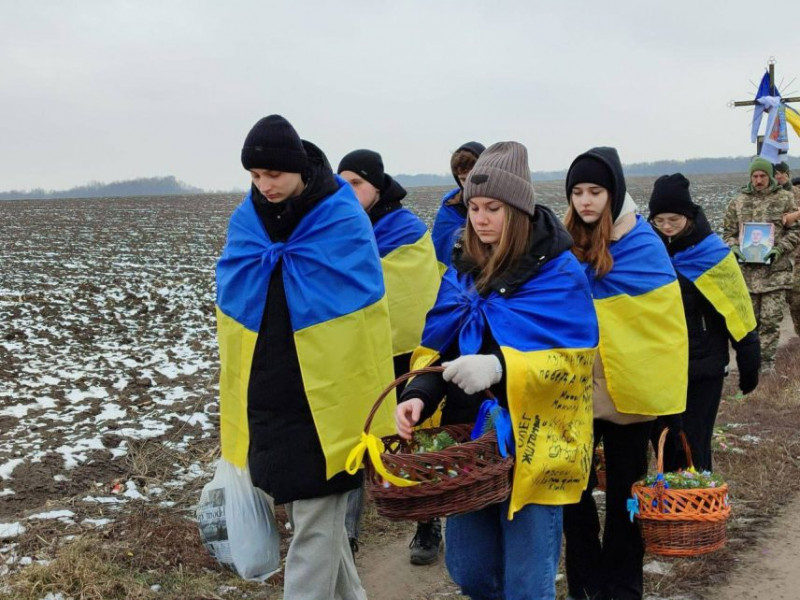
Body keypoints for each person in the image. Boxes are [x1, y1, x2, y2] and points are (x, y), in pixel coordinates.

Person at [395, 141, 599, 600]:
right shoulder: (462, 270)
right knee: (470, 570)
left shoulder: (558, 274)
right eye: (473, 207)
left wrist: (500, 367)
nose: (480, 218)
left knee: (527, 583)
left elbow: (574, 363)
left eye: (493, 207)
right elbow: (439, 345)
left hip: (536, 445)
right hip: (469, 446)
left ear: (520, 210)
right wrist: (419, 395)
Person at [215, 115, 396, 599]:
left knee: (316, 527)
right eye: (255, 176)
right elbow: (234, 309)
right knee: (318, 527)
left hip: (331, 407)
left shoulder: (340, 217)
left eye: (273, 174)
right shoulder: (246, 223)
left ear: (297, 168)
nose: (264, 185)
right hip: (269, 403)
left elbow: (365, 320)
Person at [561, 147, 688, 600]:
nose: (586, 201)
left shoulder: (643, 246)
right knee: (571, 499)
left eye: (595, 191)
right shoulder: (562, 245)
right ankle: (584, 584)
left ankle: (624, 586)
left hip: (628, 396)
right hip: (574, 395)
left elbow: (662, 328)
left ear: (614, 192)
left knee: (624, 499)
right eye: (577, 192)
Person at [337, 149, 441, 563]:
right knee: (354, 437)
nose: (349, 191)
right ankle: (346, 536)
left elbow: (414, 294)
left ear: (377, 187)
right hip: (356, 350)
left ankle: (427, 525)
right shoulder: (337, 227)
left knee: (416, 438)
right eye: (341, 183)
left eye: (357, 183)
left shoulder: (407, 229)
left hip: (405, 354)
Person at [647, 173, 760, 472]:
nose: (667, 227)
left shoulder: (711, 254)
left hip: (702, 367)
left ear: (689, 215)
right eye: (660, 221)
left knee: (693, 444)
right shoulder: (645, 252)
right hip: (657, 366)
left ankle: (698, 512)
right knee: (663, 442)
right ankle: (667, 511)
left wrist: (749, 355)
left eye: (674, 219)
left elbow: (737, 308)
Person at [723, 157, 800, 372]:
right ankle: (751, 364)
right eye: (755, 176)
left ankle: (766, 366)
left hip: (775, 272)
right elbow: (728, 232)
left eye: (763, 176)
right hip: (747, 275)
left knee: (771, 321)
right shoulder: (738, 201)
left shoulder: (786, 199)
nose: (758, 180)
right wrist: (734, 247)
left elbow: (795, 230)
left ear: (770, 176)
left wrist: (780, 248)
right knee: (750, 323)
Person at [431, 142, 485, 273]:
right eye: (464, 179)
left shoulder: (504, 207)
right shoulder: (450, 208)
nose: (469, 186)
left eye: (474, 178)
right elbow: (438, 254)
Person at [777, 165, 800, 335]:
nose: (779, 176)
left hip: (796, 256)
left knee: (797, 301)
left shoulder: (796, 194)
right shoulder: (769, 197)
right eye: (775, 173)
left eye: (782, 173)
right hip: (775, 258)